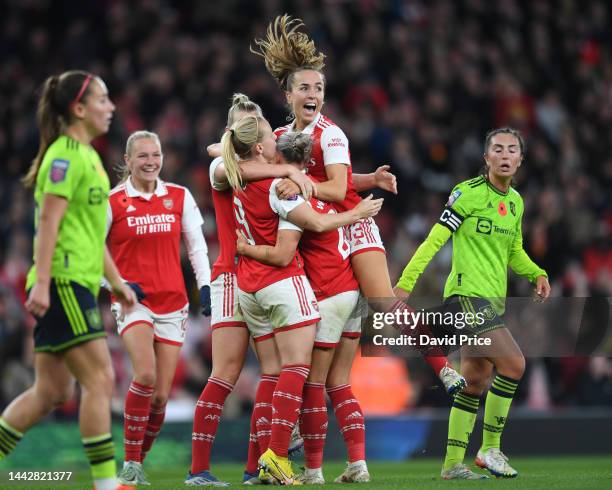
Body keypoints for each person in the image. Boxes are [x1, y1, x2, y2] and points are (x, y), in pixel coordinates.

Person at [251, 14, 465, 395]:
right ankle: (306, 427)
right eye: (304, 87)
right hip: (315, 234)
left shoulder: (331, 134)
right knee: (313, 326)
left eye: (318, 87)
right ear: (288, 95)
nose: (313, 94)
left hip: (351, 222)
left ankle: (443, 367)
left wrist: (300, 183)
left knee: (382, 302)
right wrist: (368, 179)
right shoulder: (280, 136)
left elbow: (334, 188)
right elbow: (315, 177)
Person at [222, 114, 382, 485]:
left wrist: (245, 247)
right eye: (268, 135)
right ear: (261, 148)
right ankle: (300, 459)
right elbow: (301, 239)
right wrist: (357, 211)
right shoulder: (285, 190)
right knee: (320, 380)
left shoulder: (230, 173)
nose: (275, 138)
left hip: (256, 288)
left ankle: (281, 464)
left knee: (282, 376)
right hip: (317, 288)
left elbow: (219, 151)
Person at [0, 71, 136, 490]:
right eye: (103, 99)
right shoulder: (64, 157)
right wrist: (41, 282)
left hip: (74, 279)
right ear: (78, 109)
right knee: (99, 380)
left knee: (52, 392)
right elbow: (49, 221)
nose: (111, 107)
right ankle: (106, 484)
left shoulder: (90, 156)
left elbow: (90, 236)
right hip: (61, 282)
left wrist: (116, 282)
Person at [394, 128, 551, 480]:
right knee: (514, 365)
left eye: (512, 150)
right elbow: (436, 239)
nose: (505, 154)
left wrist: (537, 273)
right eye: (498, 149)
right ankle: (490, 448)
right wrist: (406, 282)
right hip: (465, 298)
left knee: (476, 381)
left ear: (521, 159)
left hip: (492, 305)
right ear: (487, 158)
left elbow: (514, 251)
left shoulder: (515, 203)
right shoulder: (466, 193)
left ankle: (452, 466)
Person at [186, 93, 317, 487]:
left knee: (272, 372)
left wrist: (288, 172)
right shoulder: (220, 168)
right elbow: (229, 164)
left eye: (256, 120)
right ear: (234, 133)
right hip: (229, 274)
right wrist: (288, 174)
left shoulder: (260, 161)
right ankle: (197, 470)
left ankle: (254, 467)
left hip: (256, 280)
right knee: (226, 371)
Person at [105, 130, 211, 486]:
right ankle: (130, 463)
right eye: (143, 156)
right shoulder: (113, 202)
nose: (150, 162)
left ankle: (137, 463)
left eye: (155, 155)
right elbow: (92, 253)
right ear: (128, 160)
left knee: (161, 396)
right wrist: (115, 286)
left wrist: (206, 286)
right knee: (146, 376)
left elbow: (196, 247)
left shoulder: (179, 197)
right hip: (133, 302)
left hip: (174, 304)